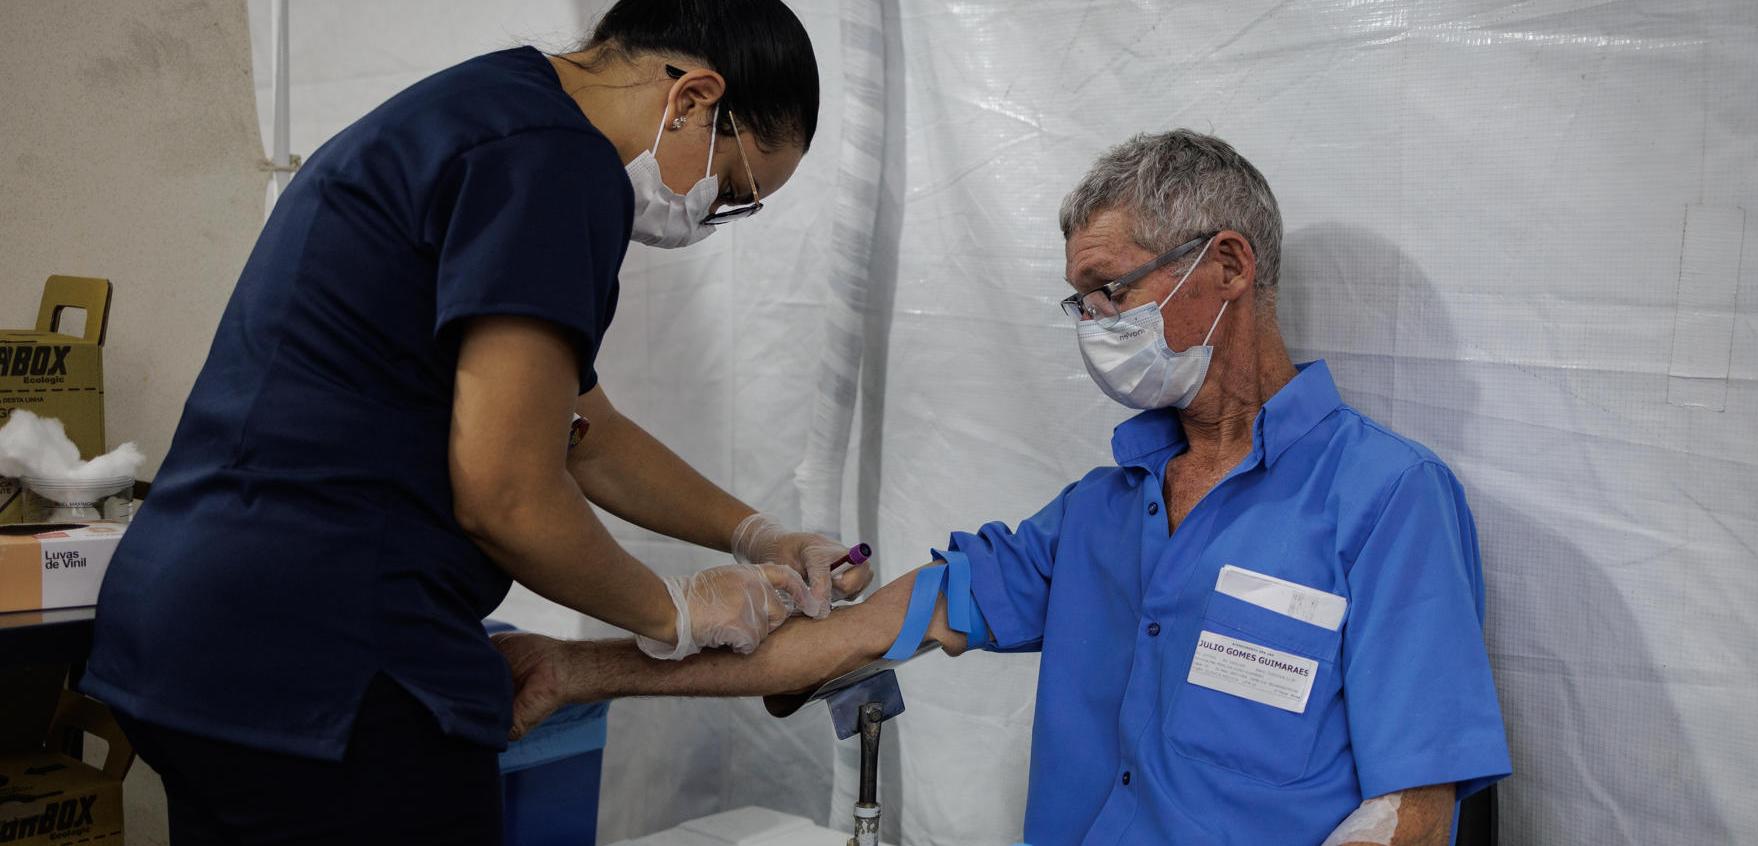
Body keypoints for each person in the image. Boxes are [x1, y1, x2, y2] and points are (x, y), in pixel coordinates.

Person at [498, 130, 1513, 845]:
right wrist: (580, 673)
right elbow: (849, 634)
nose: (1095, 327)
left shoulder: (1385, 503)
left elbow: (1413, 819)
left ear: (1229, 264)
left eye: (1112, 290)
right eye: (1078, 303)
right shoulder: (1100, 513)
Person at [82, 2, 873, 843]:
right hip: (329, 657)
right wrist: (673, 612)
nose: (709, 215)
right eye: (734, 192)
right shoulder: (556, 161)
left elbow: (584, 431)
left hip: (191, 635)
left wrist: (757, 536)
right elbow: (505, 494)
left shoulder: (479, 114)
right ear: (691, 100)